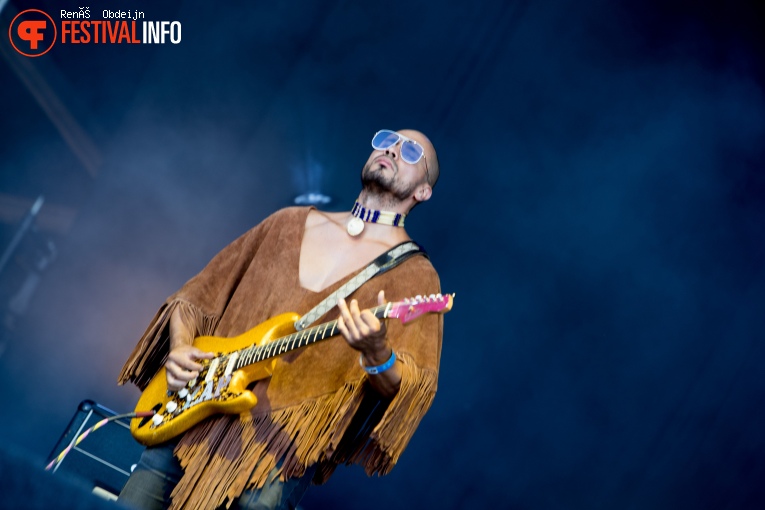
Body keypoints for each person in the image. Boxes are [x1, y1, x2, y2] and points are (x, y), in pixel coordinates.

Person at [117, 129, 444, 510]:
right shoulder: (287, 224)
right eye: (386, 139)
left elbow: (408, 387)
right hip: (191, 418)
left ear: (423, 191)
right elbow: (195, 295)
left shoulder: (417, 277)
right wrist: (180, 348)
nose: (391, 148)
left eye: (411, 150)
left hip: (275, 456)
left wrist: (376, 352)